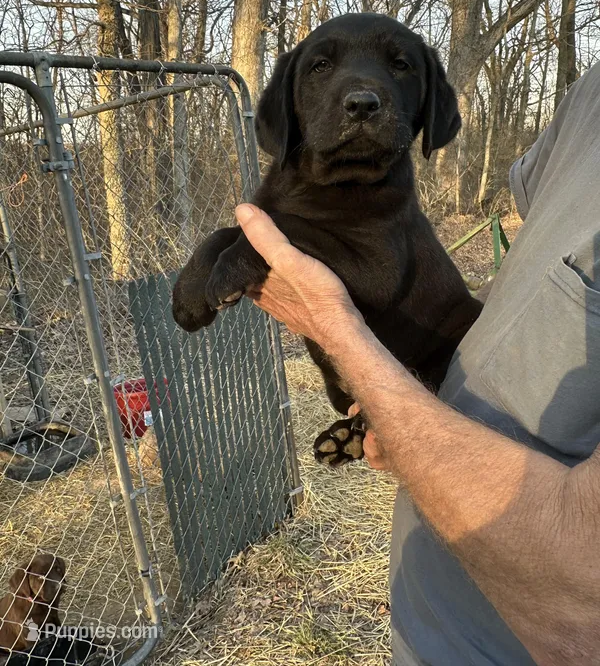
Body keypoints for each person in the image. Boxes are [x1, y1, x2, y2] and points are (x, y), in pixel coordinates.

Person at [233, 61, 600, 666]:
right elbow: (538, 288)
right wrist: (416, 410)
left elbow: (583, 614)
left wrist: (338, 330)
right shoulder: (590, 93)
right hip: (424, 615)